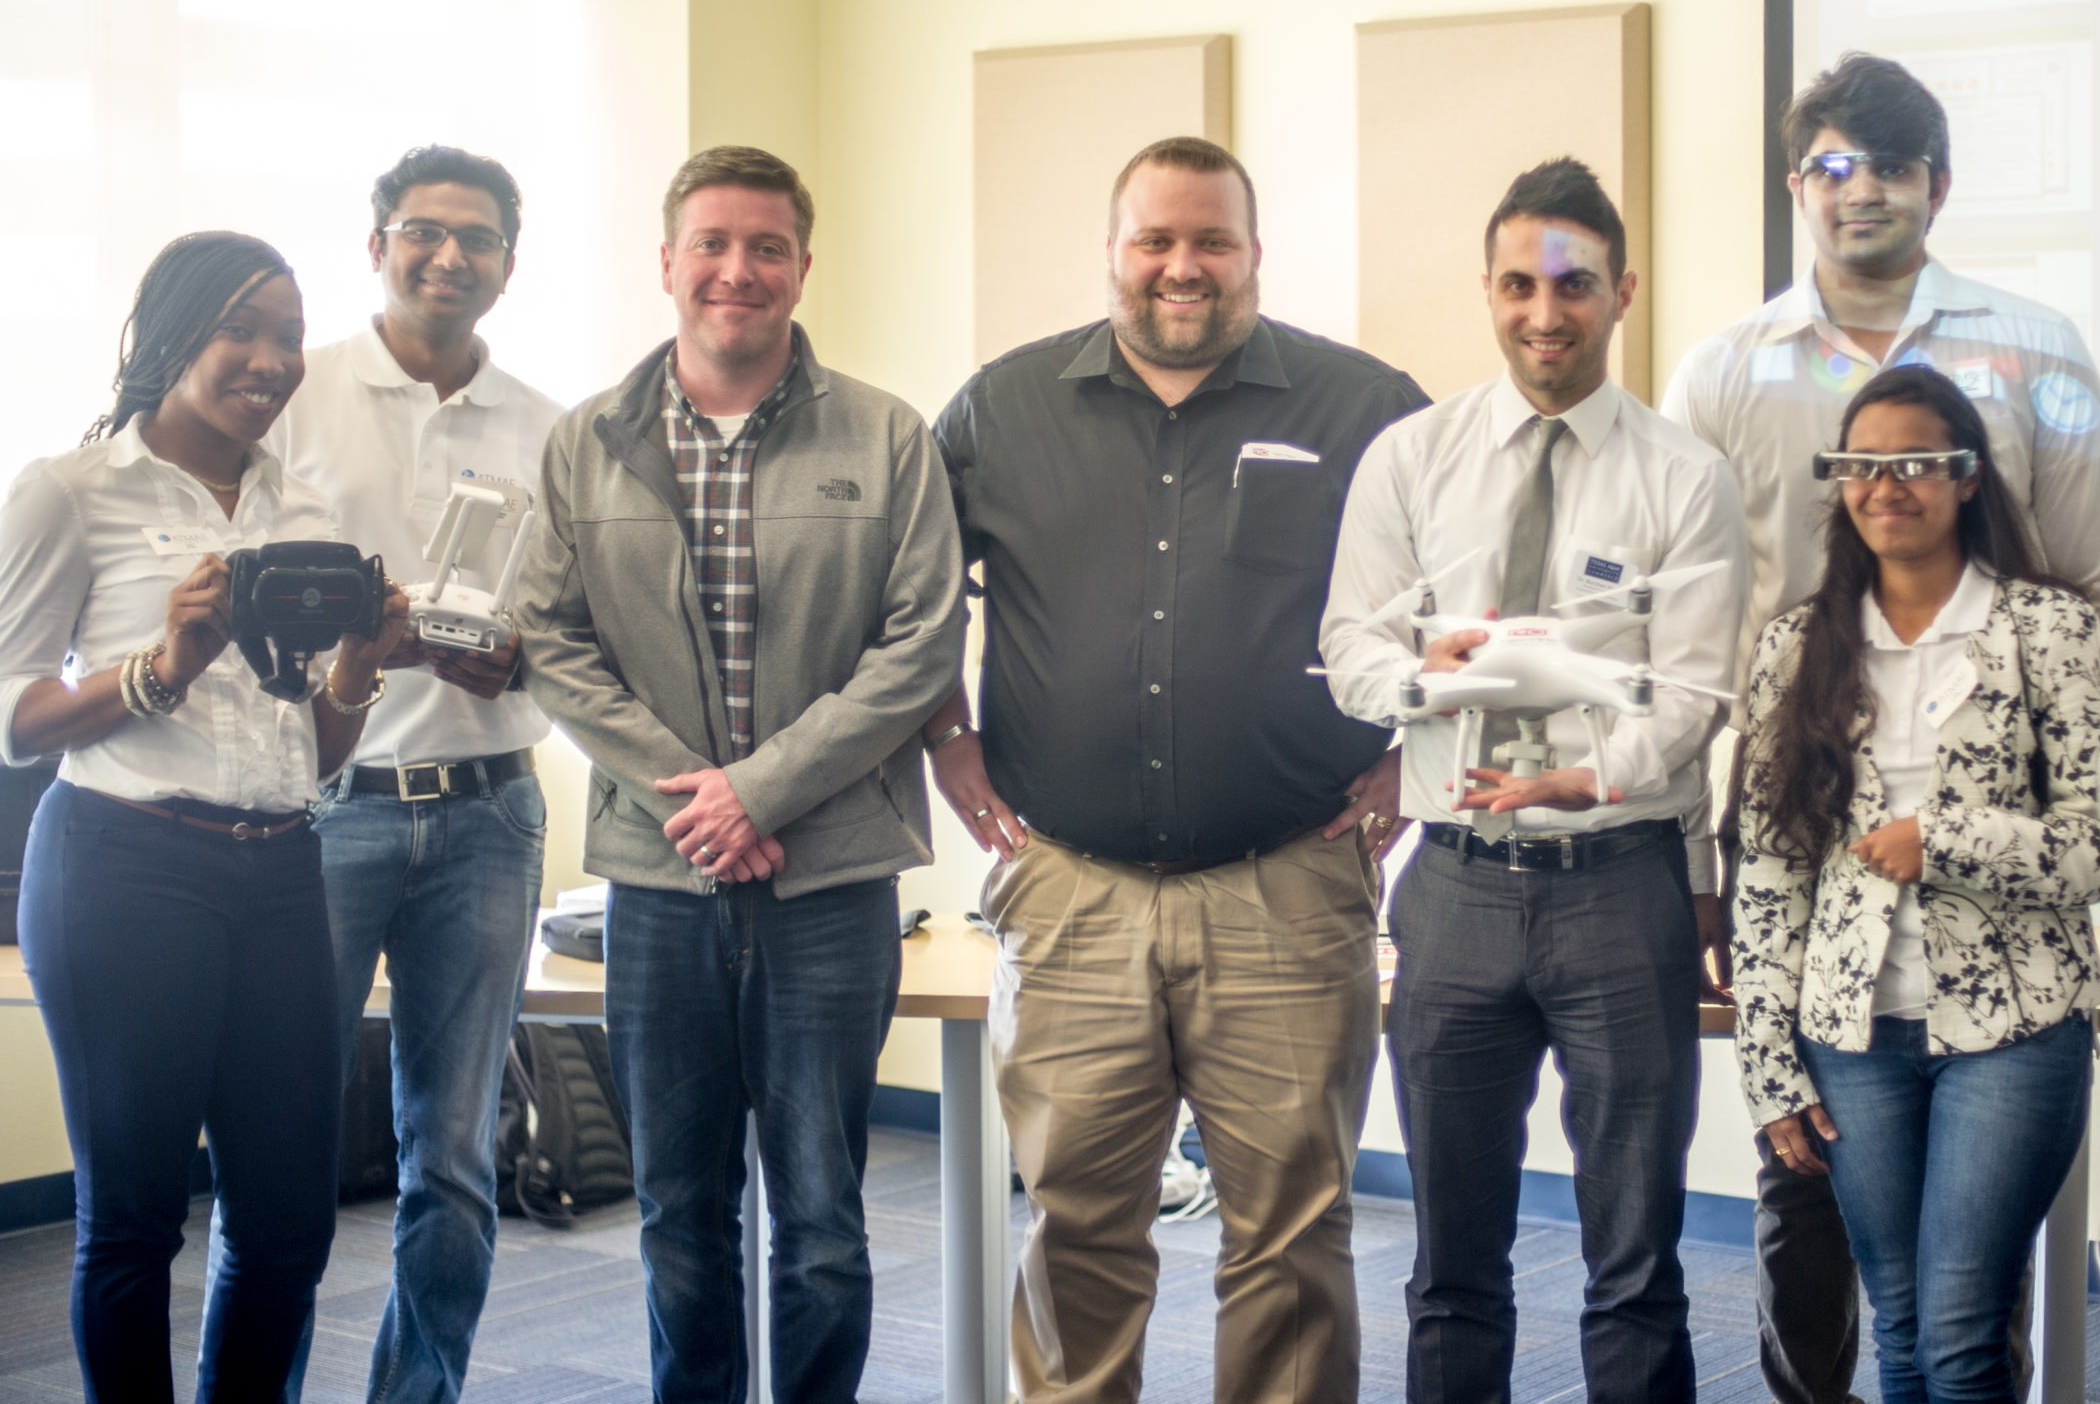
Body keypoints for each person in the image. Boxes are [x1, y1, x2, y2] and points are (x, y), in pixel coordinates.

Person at [1657, 51, 2100, 1404]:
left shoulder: (2033, 348)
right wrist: (1713, 865)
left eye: (1886, 162)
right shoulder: (1724, 370)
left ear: (1937, 184)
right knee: (1811, 1219)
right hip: (1805, 870)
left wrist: (2001, 818)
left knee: (1964, 1304)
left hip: (1995, 904)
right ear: (1796, 184)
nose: (1856, 187)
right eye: (1828, 164)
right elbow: (1706, 642)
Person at [924, 135, 1426, 1404]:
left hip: (1287, 885)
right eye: (1156, 240)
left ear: (1256, 253)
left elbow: (1463, 598)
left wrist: (1419, 754)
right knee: (1079, 1227)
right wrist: (945, 729)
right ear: (1113, 251)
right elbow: (902, 593)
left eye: (1212, 240)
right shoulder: (1002, 406)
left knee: (1291, 1238)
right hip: (1073, 890)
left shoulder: (1366, 409)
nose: (1182, 266)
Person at [514, 146, 964, 1402]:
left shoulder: (886, 435)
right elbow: (552, 641)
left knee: (822, 1211)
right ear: (667, 264)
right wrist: (701, 799)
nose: (737, 269)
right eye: (712, 243)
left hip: (831, 881)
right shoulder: (587, 442)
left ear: (802, 267)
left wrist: (760, 791)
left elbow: (922, 639)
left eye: (767, 246)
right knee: (677, 1206)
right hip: (659, 885)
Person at [1321, 157, 1748, 1402]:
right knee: (1451, 1260)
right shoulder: (1412, 457)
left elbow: (1695, 694)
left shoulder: (1683, 474)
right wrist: (1427, 675)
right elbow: (1348, 650)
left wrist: (1586, 778)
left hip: (1621, 886)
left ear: (1622, 289)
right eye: (1518, 284)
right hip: (1451, 886)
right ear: (1488, 290)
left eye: (1571, 284)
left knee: (1636, 1259)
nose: (1543, 313)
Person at [0, 233, 411, 1402]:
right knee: (131, 1223)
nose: (273, 358)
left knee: (289, 1225)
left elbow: (318, 751)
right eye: (244, 326)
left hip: (283, 870)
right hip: (123, 870)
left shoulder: (305, 508)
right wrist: (165, 664)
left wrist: (361, 662)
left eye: (288, 334)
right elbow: (15, 719)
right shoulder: (71, 492)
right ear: (171, 330)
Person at [1733, 364, 2100, 1404]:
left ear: (1966, 477)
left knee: (1959, 1328)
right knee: (1903, 1327)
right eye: (1861, 465)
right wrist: (1768, 1066)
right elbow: (1771, 870)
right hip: (1850, 1032)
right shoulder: (1794, 645)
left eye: (1916, 462)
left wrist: (1949, 838)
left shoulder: (2047, 628)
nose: (1886, 485)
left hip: (2010, 1030)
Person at [268, 144, 563, 1404]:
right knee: (281, 1141)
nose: (449, 256)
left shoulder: (552, 428)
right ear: (377, 241)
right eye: (423, 231)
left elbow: (575, 624)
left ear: (508, 263)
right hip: (325, 807)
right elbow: (241, 592)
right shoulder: (291, 394)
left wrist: (526, 667)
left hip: (491, 808)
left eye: (478, 238)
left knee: (451, 1152)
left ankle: (415, 1391)